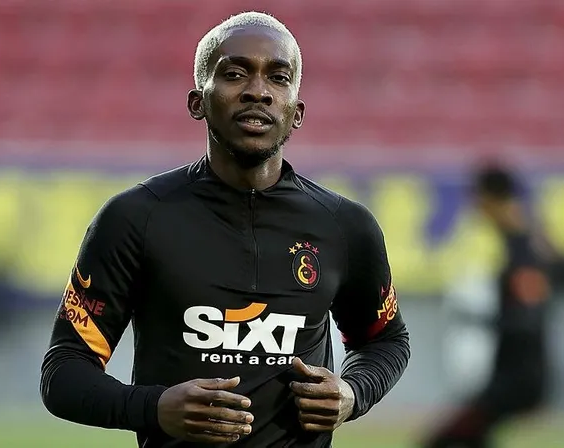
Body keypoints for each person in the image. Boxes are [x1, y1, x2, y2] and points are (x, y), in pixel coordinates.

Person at [40, 11, 411, 447]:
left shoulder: (345, 227)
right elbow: (63, 371)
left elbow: (386, 340)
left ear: (297, 112)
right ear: (197, 102)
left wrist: (353, 392)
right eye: (235, 74)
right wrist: (154, 407)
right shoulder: (136, 218)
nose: (258, 91)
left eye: (278, 78)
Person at [422, 164, 553, 448]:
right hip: (513, 375)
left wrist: (477, 319)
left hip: (519, 379)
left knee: (441, 441)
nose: (476, 206)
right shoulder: (526, 243)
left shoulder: (523, 250)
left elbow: (527, 321)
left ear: (492, 199)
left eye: (478, 198)